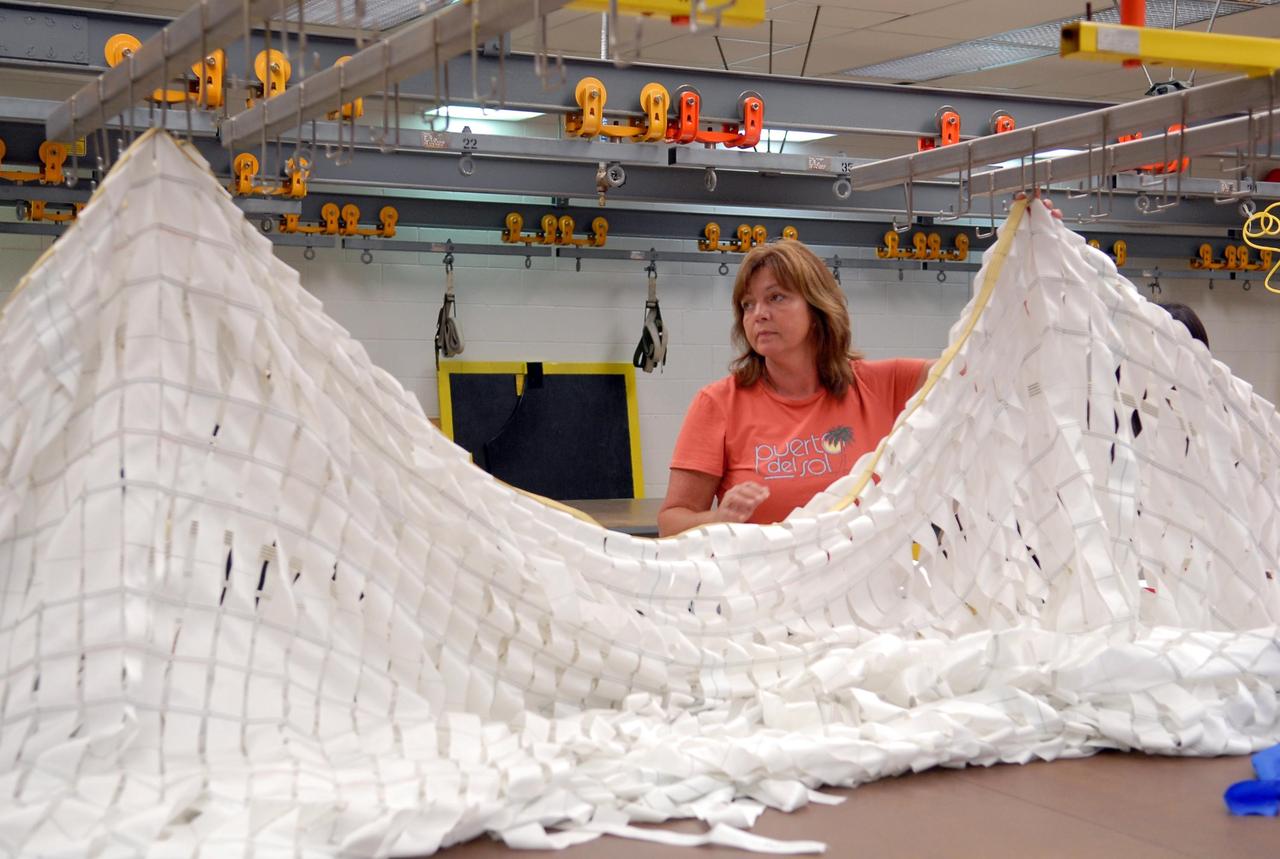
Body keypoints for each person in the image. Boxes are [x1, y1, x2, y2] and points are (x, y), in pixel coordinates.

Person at [657, 239, 934, 536]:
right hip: (764, 580)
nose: (758, 314)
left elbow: (972, 367)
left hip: (863, 578)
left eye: (775, 297)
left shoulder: (882, 384)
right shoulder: (718, 402)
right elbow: (670, 524)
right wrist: (719, 519)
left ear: (816, 309)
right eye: (747, 304)